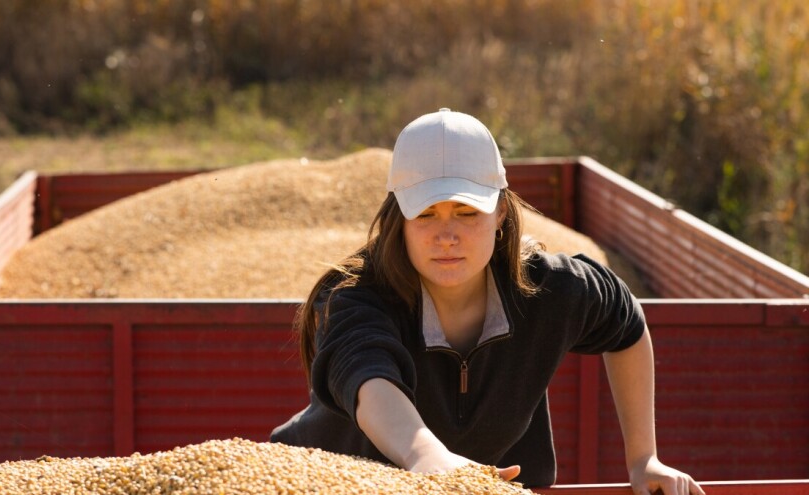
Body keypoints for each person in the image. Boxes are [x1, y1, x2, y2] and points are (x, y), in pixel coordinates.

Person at [271, 108, 704, 495]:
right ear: (398, 218)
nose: (446, 235)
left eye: (466, 212)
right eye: (425, 214)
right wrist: (427, 457)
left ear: (499, 212)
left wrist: (643, 459)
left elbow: (625, 322)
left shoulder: (549, 288)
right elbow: (371, 382)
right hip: (319, 485)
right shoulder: (356, 297)